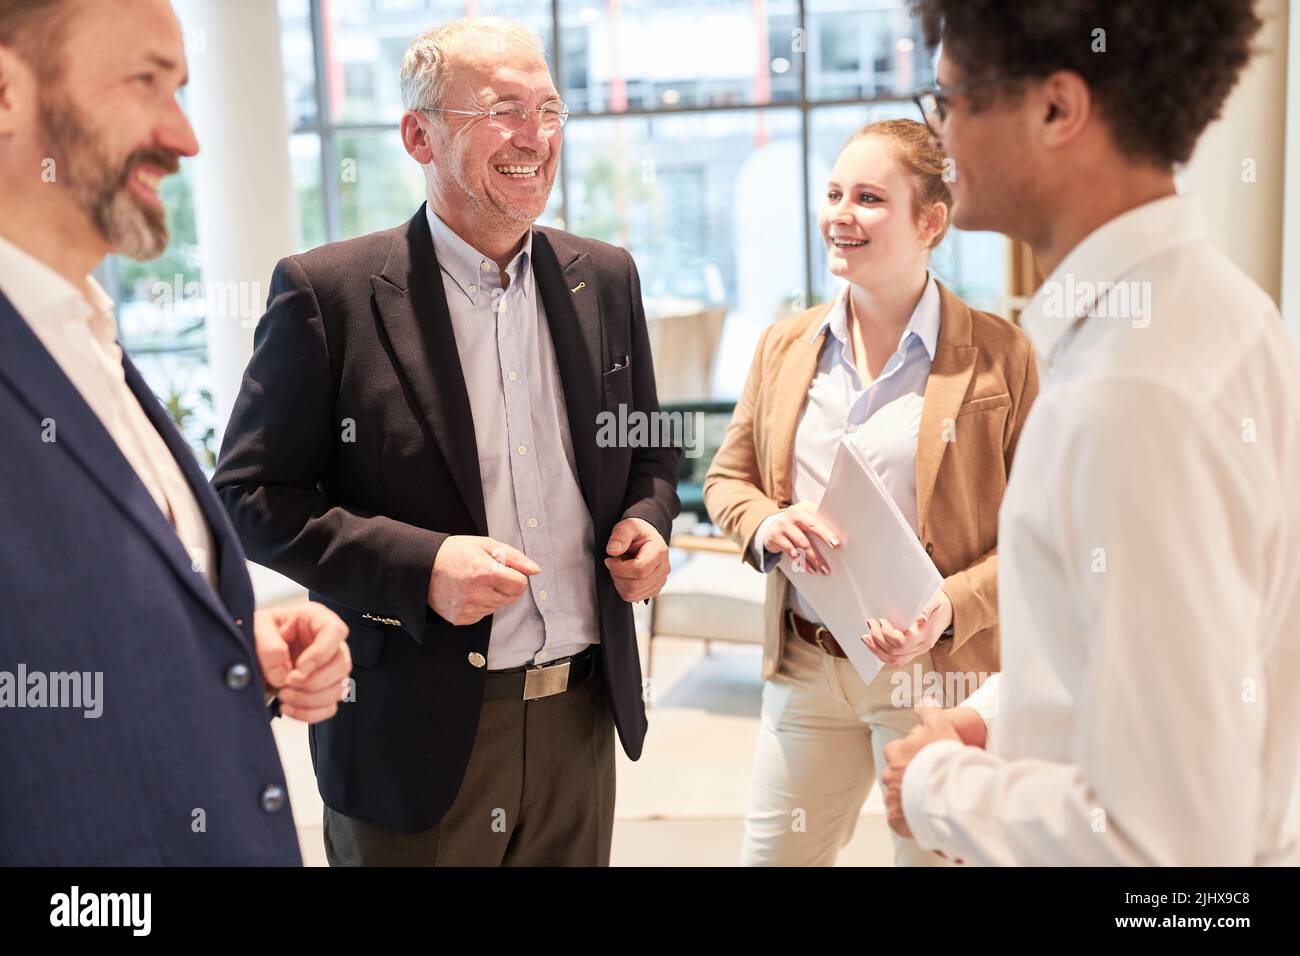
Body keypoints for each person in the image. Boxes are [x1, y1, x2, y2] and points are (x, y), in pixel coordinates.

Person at [213, 17, 680, 867]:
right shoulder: (330, 295)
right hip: (412, 735)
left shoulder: (605, 277)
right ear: (417, 134)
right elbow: (249, 499)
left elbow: (646, 445)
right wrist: (422, 566)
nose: (535, 138)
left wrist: (650, 522)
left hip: (580, 716)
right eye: (503, 110)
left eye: (548, 109)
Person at [883, 0, 1300, 866]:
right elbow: (1145, 652)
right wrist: (996, 716)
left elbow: (1165, 837)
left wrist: (937, 787)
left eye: (950, 102)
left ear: (1055, 109)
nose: (940, 138)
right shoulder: (1215, 311)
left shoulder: (1131, 391)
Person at [0, 0, 351, 865]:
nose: (187, 138)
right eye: (146, 82)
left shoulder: (84, 334)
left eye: (183, 89)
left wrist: (222, 653)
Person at [703, 118, 1037, 866]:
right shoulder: (786, 346)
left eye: (868, 197)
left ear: (931, 221)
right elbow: (730, 479)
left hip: (935, 677)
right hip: (806, 668)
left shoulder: (1001, 356)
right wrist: (765, 524)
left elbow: (1041, 537)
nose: (840, 215)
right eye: (833, 194)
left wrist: (949, 607)